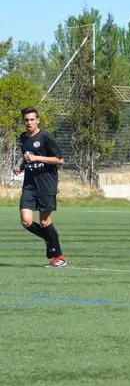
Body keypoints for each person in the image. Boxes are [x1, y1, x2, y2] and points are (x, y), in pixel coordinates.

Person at [14, 107, 67, 267]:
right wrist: (21, 167)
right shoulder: (23, 137)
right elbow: (27, 157)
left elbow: (59, 160)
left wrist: (37, 158)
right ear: (23, 121)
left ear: (38, 120)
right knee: (26, 220)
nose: (29, 122)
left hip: (46, 184)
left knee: (45, 221)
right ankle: (47, 238)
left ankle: (59, 257)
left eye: (32, 119)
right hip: (29, 185)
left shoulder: (46, 137)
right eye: (26, 120)